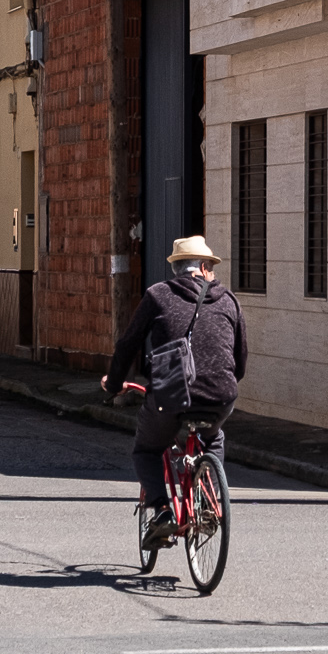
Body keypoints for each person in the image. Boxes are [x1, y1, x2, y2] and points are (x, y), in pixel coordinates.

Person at [103, 235, 247, 550]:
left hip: (172, 395)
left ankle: (162, 510)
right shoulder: (230, 300)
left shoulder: (158, 295)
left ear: (176, 269)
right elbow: (240, 361)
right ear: (206, 268)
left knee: (147, 450)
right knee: (214, 438)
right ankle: (209, 502)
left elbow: (128, 345)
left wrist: (114, 384)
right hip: (222, 394)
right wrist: (222, 384)